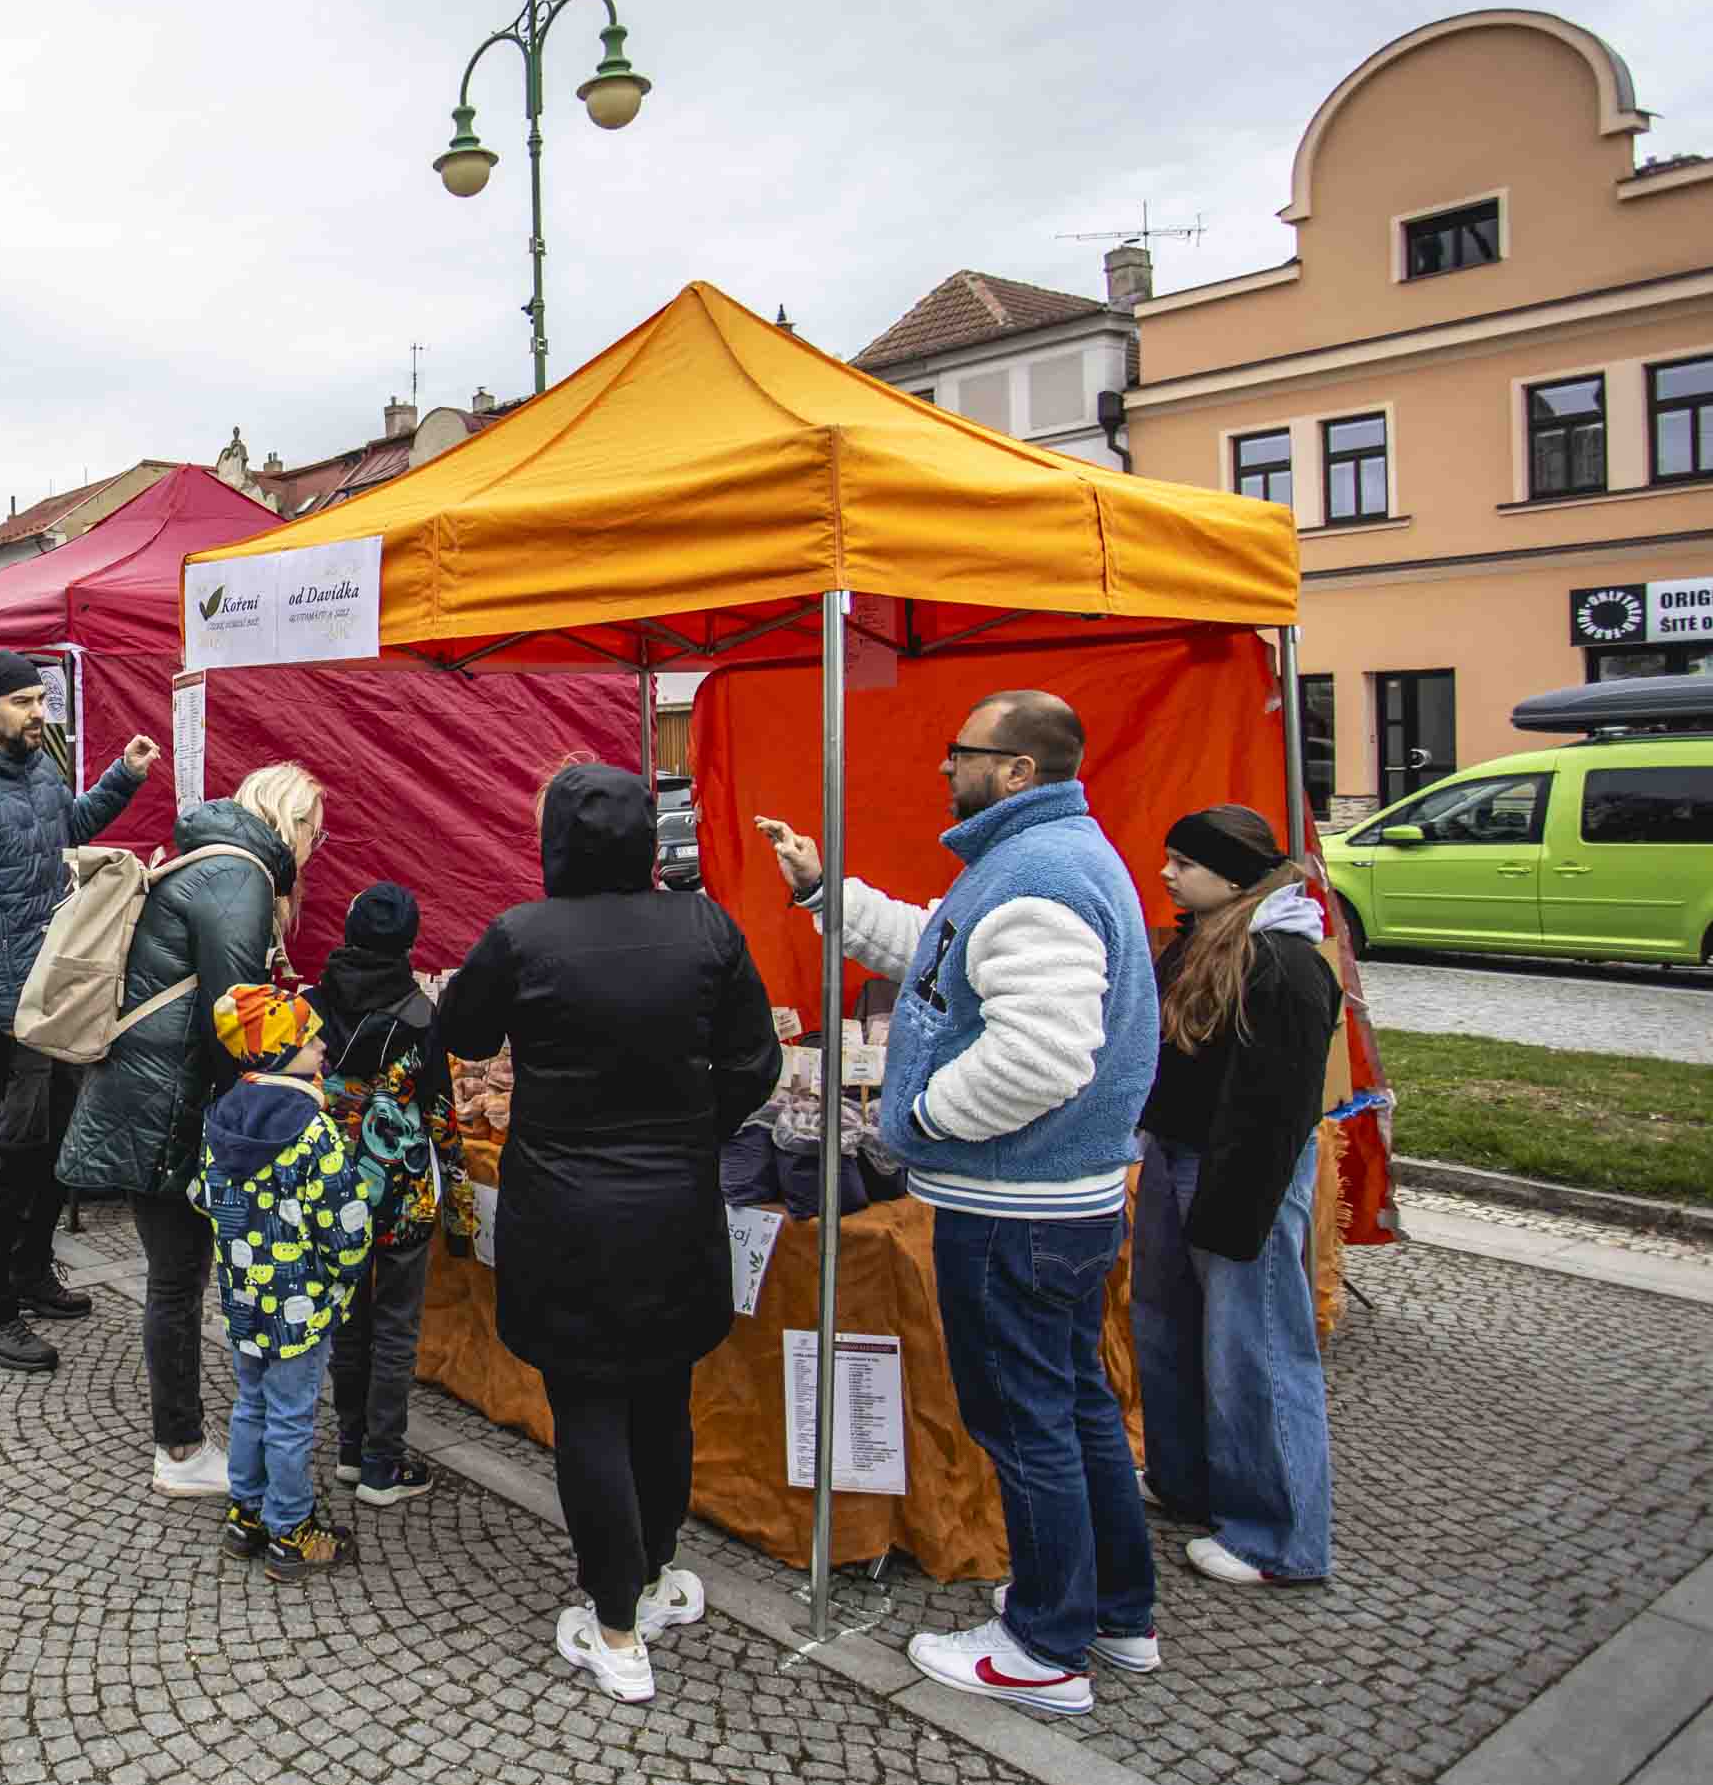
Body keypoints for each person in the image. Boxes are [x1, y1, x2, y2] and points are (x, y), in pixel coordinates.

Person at [757, 689, 1161, 1717]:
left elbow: (1041, 1055)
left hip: (1018, 1208)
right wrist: (826, 892)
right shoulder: (1033, 861)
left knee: (1025, 1420)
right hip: (1055, 1202)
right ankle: (1115, 1609)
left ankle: (1046, 1646)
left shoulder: (1040, 877)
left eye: (961, 751)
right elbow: (940, 948)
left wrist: (917, 1121)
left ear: (1019, 770)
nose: (945, 766)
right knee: (1075, 1405)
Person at [443, 761, 781, 1706]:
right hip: (673, 1203)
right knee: (663, 1393)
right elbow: (756, 1063)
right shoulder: (706, 926)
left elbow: (464, 1035)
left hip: (566, 1207)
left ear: (555, 839)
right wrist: (696, 1130)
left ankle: (619, 1624)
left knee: (591, 1404)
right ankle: (649, 1576)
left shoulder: (522, 935)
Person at [58, 761, 316, 1485]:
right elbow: (237, 1017)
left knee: (176, 1276)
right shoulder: (240, 875)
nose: (313, 849)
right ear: (290, 821)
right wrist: (277, 1104)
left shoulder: (210, 862)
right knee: (177, 1280)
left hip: (150, 1094)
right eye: (314, 833)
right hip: (166, 1104)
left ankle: (183, 1438)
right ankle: (179, 1449)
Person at [0, 650, 151, 1377]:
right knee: (10, 1158)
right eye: (22, 703)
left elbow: (65, 829)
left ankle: (31, 1271)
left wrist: (123, 777)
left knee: (54, 1148)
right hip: (2, 1009)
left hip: (54, 999)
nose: (37, 713)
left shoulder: (40, 771)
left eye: (40, 700)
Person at [1135, 803, 1340, 1590]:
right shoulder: (1200, 943)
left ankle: (1279, 1538)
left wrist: (1236, 1209)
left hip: (1238, 1173)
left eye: (1183, 864)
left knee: (1254, 1348)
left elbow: (1277, 1108)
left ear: (1229, 877)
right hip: (1178, 1155)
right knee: (1168, 1329)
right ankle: (1187, 1480)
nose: (1167, 874)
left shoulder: (1284, 967)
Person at [200, 983, 383, 1583]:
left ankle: (246, 1513)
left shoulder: (221, 1115)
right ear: (279, 1051)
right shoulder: (313, 1129)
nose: (323, 1044)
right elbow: (344, 1225)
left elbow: (204, 1198)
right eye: (309, 1037)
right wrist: (346, 1275)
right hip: (300, 1301)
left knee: (251, 1402)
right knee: (291, 1415)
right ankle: (290, 1531)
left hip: (243, 1297)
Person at [313, 881, 470, 1506]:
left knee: (347, 1320)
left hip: (331, 1188)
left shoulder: (314, 1002)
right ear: (409, 942)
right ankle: (383, 1463)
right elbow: (442, 1117)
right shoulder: (420, 1016)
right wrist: (461, 1216)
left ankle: (352, 1449)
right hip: (401, 1194)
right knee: (396, 1328)